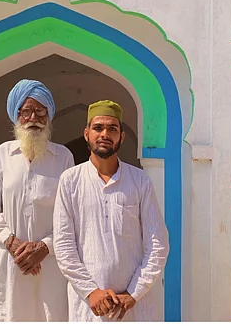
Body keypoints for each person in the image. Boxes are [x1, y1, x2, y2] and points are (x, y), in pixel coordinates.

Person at [52, 100, 169, 322]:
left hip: (134, 307)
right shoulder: (70, 181)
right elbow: (64, 245)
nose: (105, 134)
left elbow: (157, 243)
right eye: (98, 128)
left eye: (112, 129)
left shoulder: (139, 181)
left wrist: (134, 293)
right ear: (86, 134)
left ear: (121, 136)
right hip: (89, 307)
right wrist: (91, 292)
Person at [0, 79, 73, 321]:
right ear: (17, 116)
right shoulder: (3, 154)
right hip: (10, 262)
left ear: (49, 116)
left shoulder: (63, 157)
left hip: (50, 264)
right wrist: (12, 243)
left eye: (41, 111)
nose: (34, 118)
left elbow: (70, 216)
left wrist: (43, 248)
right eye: (27, 111)